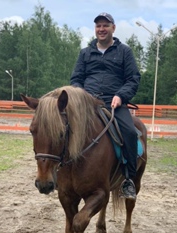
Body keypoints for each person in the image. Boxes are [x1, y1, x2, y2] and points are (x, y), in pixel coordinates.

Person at [70, 12, 141, 200]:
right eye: (98, 26)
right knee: (63, 127)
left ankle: (128, 179)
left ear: (113, 28)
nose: (101, 29)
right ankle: (60, 170)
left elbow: (133, 79)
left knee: (131, 133)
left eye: (105, 26)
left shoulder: (124, 52)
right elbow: (76, 79)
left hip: (114, 104)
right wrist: (81, 95)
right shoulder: (85, 53)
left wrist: (121, 95)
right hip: (87, 103)